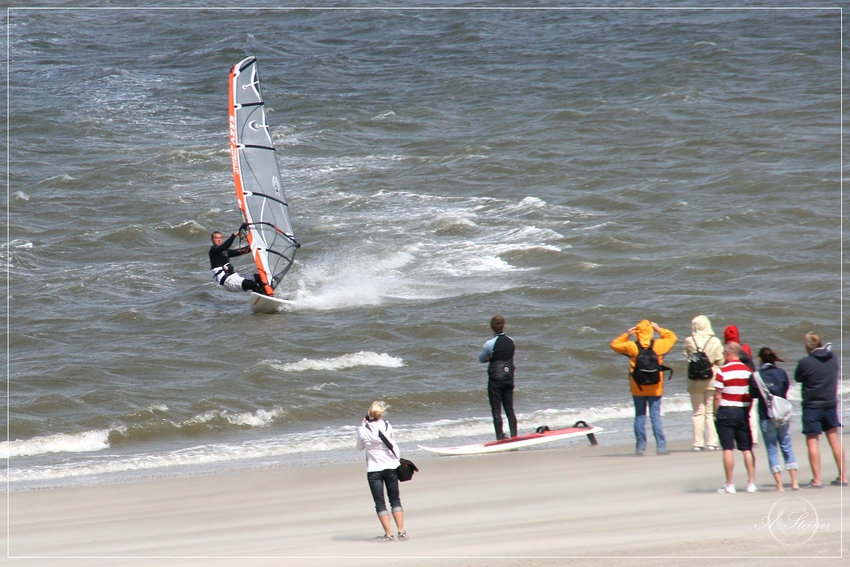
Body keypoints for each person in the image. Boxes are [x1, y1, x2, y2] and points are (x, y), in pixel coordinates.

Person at [610, 320, 677, 455]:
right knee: (655, 417)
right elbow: (672, 337)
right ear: (650, 332)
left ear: (637, 333)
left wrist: (626, 334)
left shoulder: (632, 347)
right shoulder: (659, 345)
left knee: (640, 416)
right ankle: (661, 447)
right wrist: (659, 329)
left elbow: (614, 344)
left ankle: (640, 448)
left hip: (638, 387)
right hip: (655, 387)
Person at [794, 332, 847, 488]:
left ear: (807, 346)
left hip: (812, 405)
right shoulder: (833, 358)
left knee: (812, 442)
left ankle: (817, 479)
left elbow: (798, 377)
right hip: (830, 403)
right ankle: (843, 476)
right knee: (834, 440)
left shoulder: (805, 362)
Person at [356, 401, 408, 542]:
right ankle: (401, 532)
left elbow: (359, 447)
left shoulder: (363, 429)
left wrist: (363, 425)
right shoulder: (387, 425)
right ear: (381, 413)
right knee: (395, 499)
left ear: (369, 413)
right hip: (391, 466)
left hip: (374, 469)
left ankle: (389, 534)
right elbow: (391, 442)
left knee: (380, 503)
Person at [749, 347, 799, 491]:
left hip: (766, 416)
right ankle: (794, 482)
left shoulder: (756, 376)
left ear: (759, 359)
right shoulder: (781, 373)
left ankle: (779, 485)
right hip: (783, 415)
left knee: (771, 450)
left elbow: (752, 394)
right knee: (787, 446)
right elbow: (785, 389)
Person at [714, 342, 757, 493]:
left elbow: (718, 395)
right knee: (746, 448)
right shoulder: (748, 372)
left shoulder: (722, 371)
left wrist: (715, 413)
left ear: (728, 354)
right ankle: (751, 483)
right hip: (742, 410)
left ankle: (730, 484)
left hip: (726, 410)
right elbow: (751, 395)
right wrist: (748, 409)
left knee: (727, 449)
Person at [683, 315, 724, 451]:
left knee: (698, 413)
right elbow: (720, 360)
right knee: (710, 413)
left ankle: (698, 444)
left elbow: (688, 356)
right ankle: (712, 443)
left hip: (695, 379)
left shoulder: (689, 340)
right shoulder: (715, 341)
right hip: (711, 378)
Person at [478, 315, 517, 440]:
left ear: (491, 328)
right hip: (509, 377)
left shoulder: (490, 343)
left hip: (496, 379)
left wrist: (490, 357)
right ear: (504, 325)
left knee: (496, 410)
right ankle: (514, 436)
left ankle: (500, 437)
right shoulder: (511, 341)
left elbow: (481, 358)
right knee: (509, 410)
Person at [724, 325, 759, 447]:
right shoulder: (746, 348)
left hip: (733, 385)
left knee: (734, 410)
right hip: (748, 383)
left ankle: (733, 437)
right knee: (751, 411)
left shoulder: (727, 351)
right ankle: (753, 438)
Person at [208, 226, 267, 295]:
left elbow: (240, 251)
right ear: (212, 240)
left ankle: (266, 296)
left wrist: (254, 246)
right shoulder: (213, 251)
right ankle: (261, 299)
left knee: (260, 278)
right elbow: (224, 246)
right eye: (216, 238)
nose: (219, 240)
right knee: (252, 284)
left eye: (220, 238)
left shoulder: (225, 252)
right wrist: (234, 235)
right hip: (227, 281)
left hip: (234, 276)